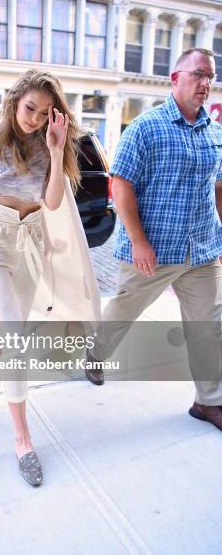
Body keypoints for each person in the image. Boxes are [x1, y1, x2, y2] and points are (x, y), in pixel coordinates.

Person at [0, 70, 100, 486]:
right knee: (16, 339)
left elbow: (52, 202)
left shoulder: (52, 141)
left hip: (32, 242)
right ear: (15, 99)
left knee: (18, 325)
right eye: (29, 107)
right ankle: (23, 439)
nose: (34, 118)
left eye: (44, 112)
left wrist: (54, 152)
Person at [85, 48, 222, 431]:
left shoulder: (215, 132)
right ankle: (95, 354)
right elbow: (121, 185)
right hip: (154, 250)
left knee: (210, 324)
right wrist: (140, 242)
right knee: (124, 311)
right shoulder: (146, 127)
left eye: (210, 76)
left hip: (202, 250)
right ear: (175, 78)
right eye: (198, 74)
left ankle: (209, 401)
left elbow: (218, 187)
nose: (205, 83)